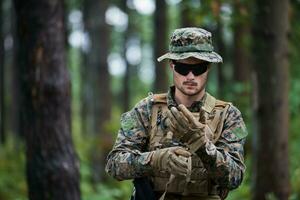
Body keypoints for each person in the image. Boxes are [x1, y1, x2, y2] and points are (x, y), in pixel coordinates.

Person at [105, 27, 248, 200]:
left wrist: (203, 147)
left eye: (198, 68)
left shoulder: (229, 115)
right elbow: (114, 165)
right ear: (172, 65)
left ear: (208, 68)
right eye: (182, 68)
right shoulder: (147, 109)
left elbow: (235, 177)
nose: (190, 76)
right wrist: (155, 159)